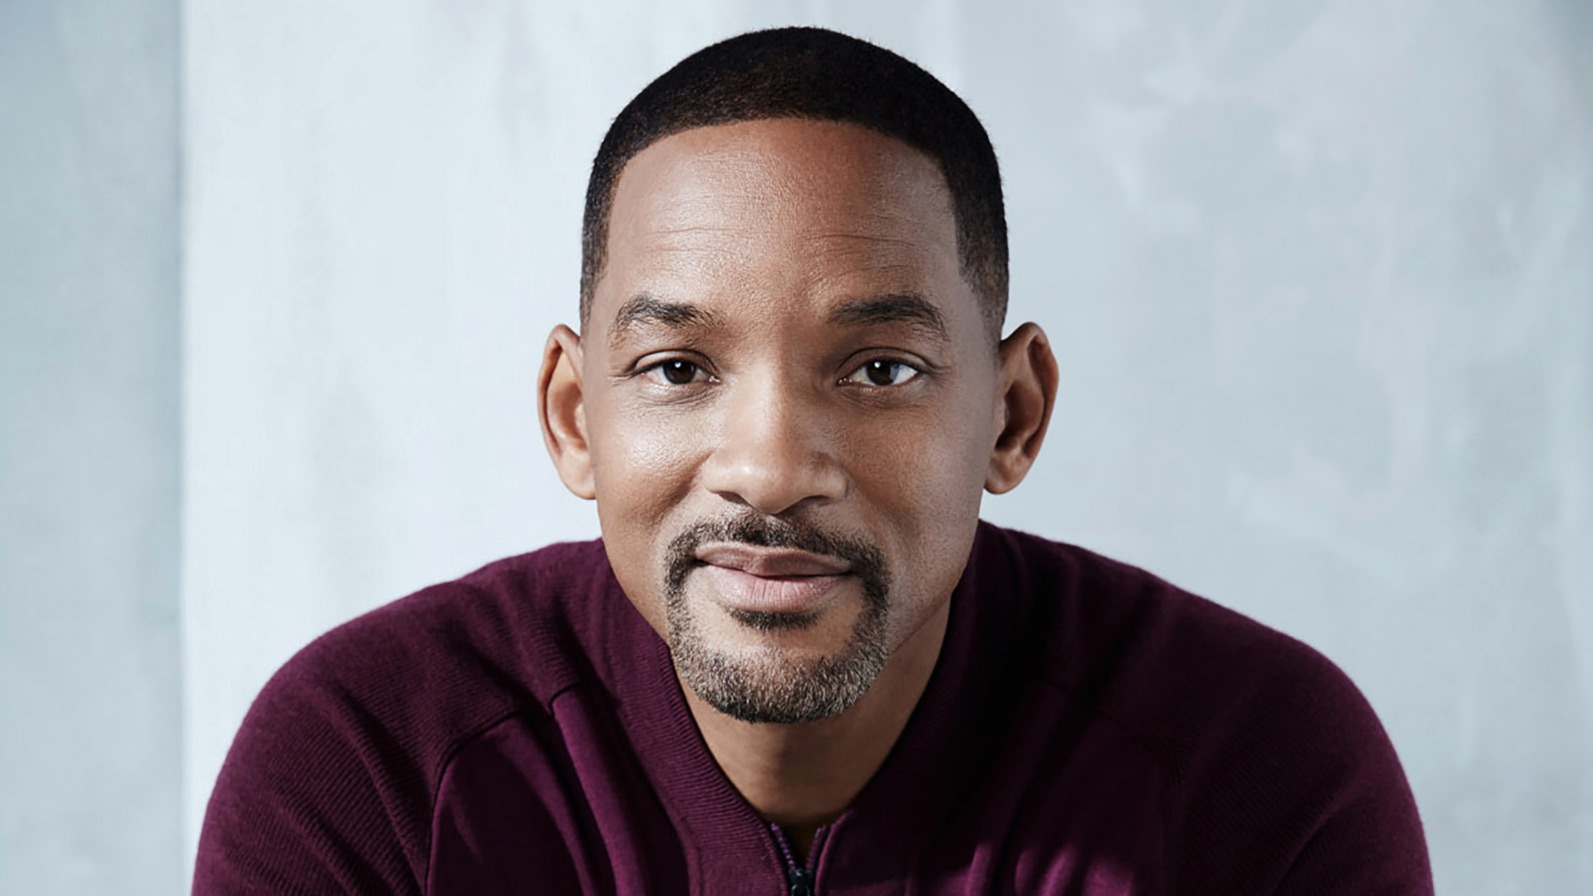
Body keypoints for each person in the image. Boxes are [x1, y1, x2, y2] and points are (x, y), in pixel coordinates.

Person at [194, 26, 1432, 895]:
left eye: (880, 368)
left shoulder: (1251, 766)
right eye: (679, 368)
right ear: (576, 415)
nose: (772, 463)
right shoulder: (375, 768)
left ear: (1010, 416)